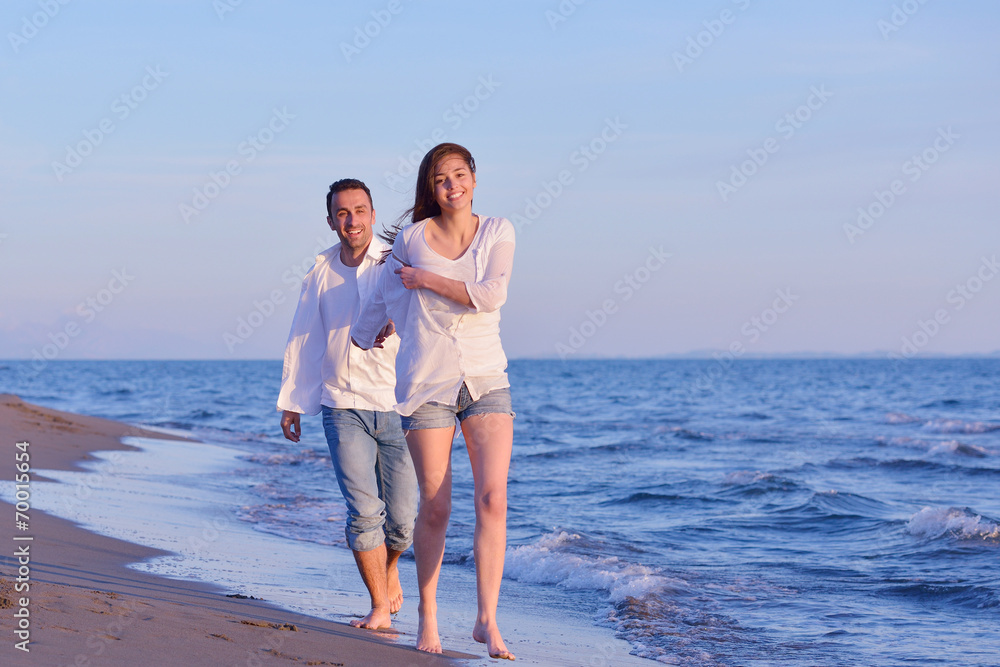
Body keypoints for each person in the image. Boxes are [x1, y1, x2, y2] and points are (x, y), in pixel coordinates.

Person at [352, 143, 517, 660]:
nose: (453, 185)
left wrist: (426, 281)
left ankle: (487, 619)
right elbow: (383, 292)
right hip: (427, 384)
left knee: (493, 499)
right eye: (441, 179)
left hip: (486, 378)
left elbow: (491, 295)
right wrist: (365, 333)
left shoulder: (497, 232)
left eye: (460, 175)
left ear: (474, 178)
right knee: (437, 505)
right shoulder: (411, 239)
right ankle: (427, 615)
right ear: (431, 187)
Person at [277, 178, 418, 630]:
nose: (352, 220)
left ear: (373, 215)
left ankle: (389, 565)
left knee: (403, 521)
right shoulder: (320, 271)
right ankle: (379, 606)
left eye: (359, 211)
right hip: (342, 404)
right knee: (363, 511)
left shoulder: (395, 262)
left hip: (400, 403)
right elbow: (305, 335)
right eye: (343, 213)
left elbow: (426, 316)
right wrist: (294, 401)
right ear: (331, 220)